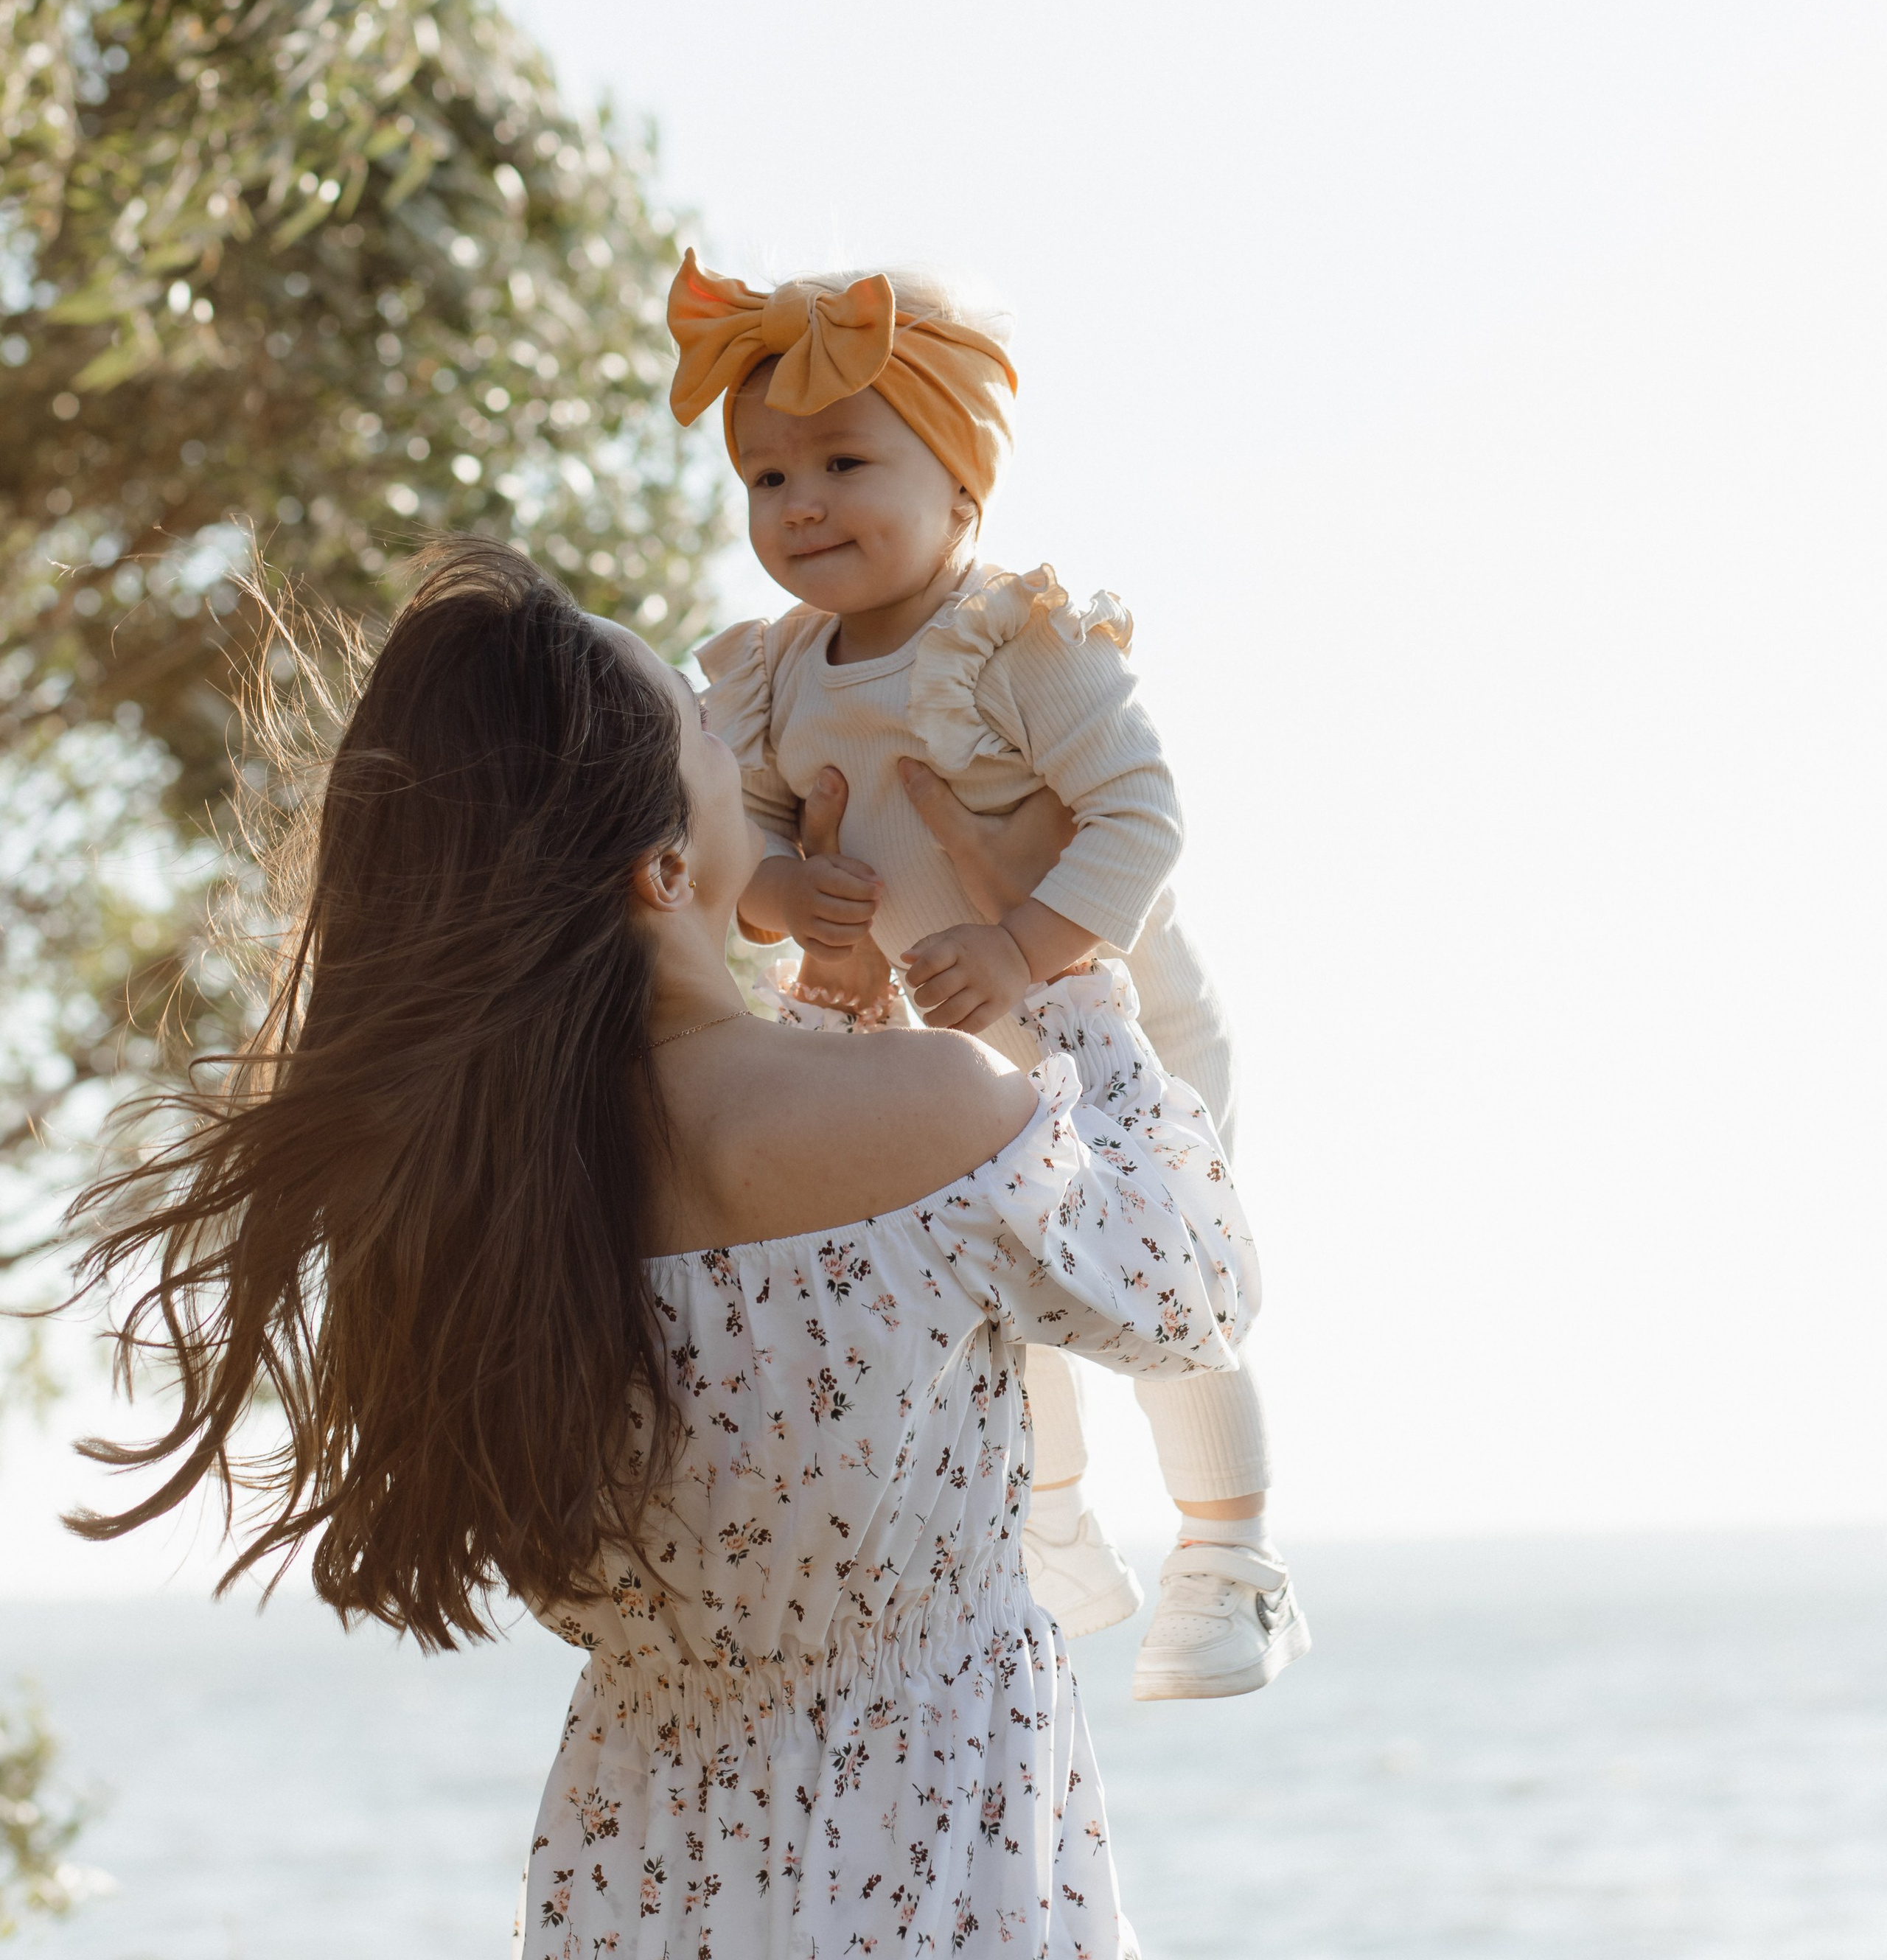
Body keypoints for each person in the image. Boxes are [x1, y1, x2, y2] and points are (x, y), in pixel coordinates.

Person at [65, 539, 1261, 1958]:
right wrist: (1066, 974)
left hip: (643, 1862)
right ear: (666, 864)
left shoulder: (489, 1204)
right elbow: (1197, 1296)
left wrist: (828, 1003)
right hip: (935, 1844)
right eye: (702, 729)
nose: (734, 736)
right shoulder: (933, 1111)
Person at [666, 253, 1310, 1700]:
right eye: (765, 480)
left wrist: (1024, 945)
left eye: (841, 461)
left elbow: (1140, 814)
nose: (800, 505)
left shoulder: (1019, 641)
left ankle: (1227, 1559)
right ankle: (1055, 1524)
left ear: (961, 482)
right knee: (990, 1297)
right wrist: (781, 888)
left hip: (1122, 1029)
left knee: (1163, 1285)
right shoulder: (771, 675)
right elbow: (742, 833)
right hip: (952, 1059)